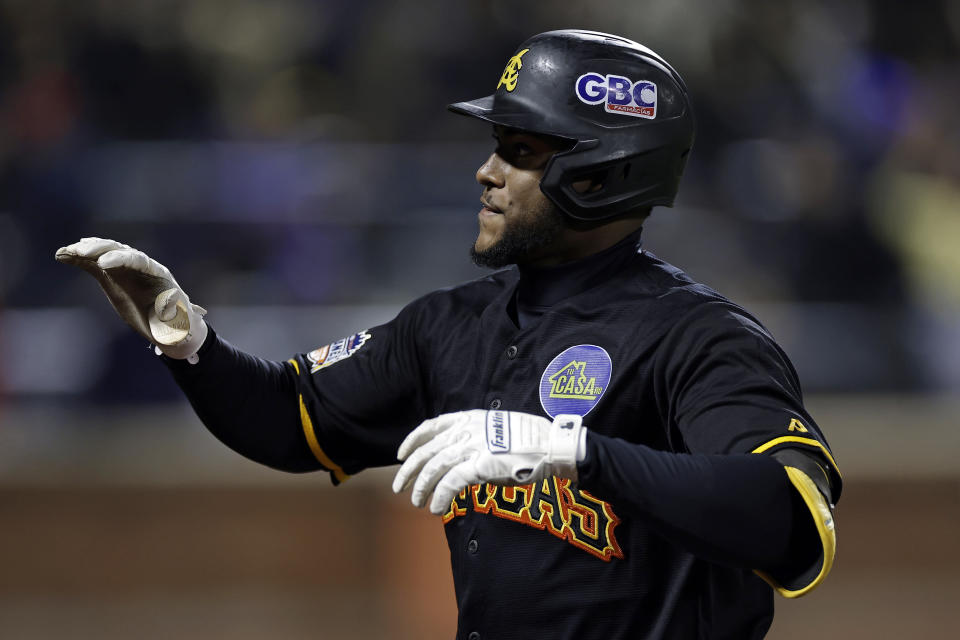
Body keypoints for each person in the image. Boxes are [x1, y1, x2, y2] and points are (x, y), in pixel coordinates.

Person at [57, 29, 841, 640]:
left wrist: (578, 453)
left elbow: (792, 518)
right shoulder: (451, 324)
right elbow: (290, 419)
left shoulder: (699, 338)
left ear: (603, 173)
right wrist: (191, 344)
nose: (487, 171)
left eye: (521, 152)